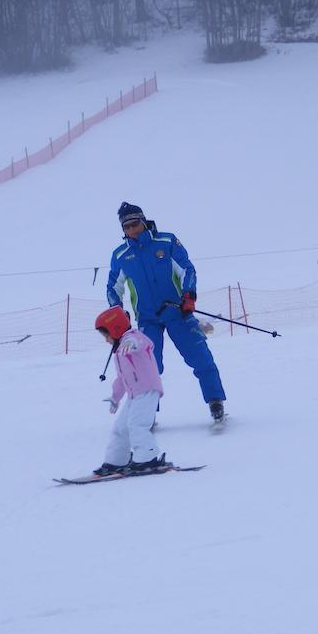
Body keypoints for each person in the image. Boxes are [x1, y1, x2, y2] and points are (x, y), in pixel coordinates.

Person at [106, 201, 226, 423]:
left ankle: (215, 401)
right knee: (147, 368)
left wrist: (188, 296)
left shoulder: (167, 242)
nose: (131, 230)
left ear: (143, 221)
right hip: (147, 319)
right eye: (126, 227)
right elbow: (114, 287)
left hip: (177, 312)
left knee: (200, 358)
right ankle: (147, 414)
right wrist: (117, 313)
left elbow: (186, 269)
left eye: (134, 224)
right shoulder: (121, 255)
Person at [92, 305, 167, 476]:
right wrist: (115, 398)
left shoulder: (135, 338)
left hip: (148, 390)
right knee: (120, 428)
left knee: (137, 425)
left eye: (106, 335)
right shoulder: (120, 351)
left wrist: (131, 342)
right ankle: (116, 461)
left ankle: (147, 458)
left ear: (115, 328)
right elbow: (121, 378)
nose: (106, 340)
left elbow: (145, 344)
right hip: (134, 395)